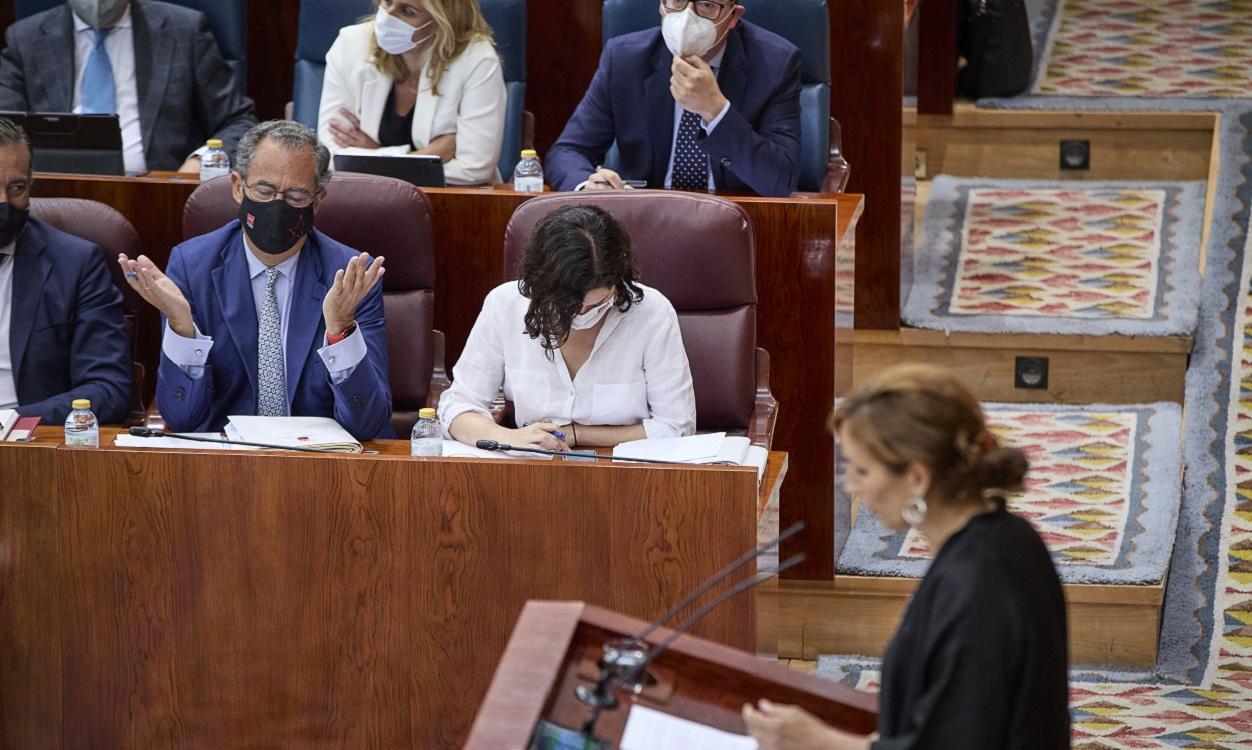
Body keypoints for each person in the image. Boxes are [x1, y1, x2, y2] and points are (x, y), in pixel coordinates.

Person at [743, 364, 1070, 749]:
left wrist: (820, 742)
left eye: (862, 470)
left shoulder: (976, 587)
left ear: (916, 478)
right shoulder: (1010, 536)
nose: (850, 486)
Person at [119, 120, 393, 440]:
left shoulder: (352, 276)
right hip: (227, 462)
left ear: (317, 200)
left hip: (321, 462)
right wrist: (182, 328)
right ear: (237, 186)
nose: (277, 205)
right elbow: (182, 418)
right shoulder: (192, 267)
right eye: (264, 190)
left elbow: (368, 424)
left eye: (296, 195)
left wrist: (340, 331)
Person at [439, 204, 696, 450]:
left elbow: (677, 426)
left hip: (627, 470)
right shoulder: (505, 304)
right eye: (568, 306)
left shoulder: (652, 312)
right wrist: (508, 437)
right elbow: (457, 407)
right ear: (540, 284)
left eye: (597, 304)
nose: (582, 315)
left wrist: (575, 434)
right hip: (534, 465)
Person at [545, 0, 802, 197]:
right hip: (644, 218)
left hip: (738, 221)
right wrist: (588, 187)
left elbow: (779, 181)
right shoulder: (623, 58)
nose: (687, 17)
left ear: (733, 16)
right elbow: (568, 151)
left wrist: (716, 111)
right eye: (677, 1)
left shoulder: (776, 63)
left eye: (707, 5)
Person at [0, 0, 257, 174]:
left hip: (157, 195)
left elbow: (237, 122)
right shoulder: (26, 39)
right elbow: (5, 129)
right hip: (56, 198)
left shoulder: (185, 31)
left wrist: (200, 162)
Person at [0, 117, 130, 425]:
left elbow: (109, 389)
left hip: (27, 442)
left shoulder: (76, 264)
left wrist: (14, 420)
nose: (3, 201)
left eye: (16, 187)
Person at [318, 0, 507, 185]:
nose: (388, 15)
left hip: (454, 201)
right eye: (387, 2)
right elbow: (331, 157)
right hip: (364, 198)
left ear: (442, 21)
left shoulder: (477, 60)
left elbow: (474, 169)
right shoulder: (351, 44)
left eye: (407, 10)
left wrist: (373, 156)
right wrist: (429, 156)